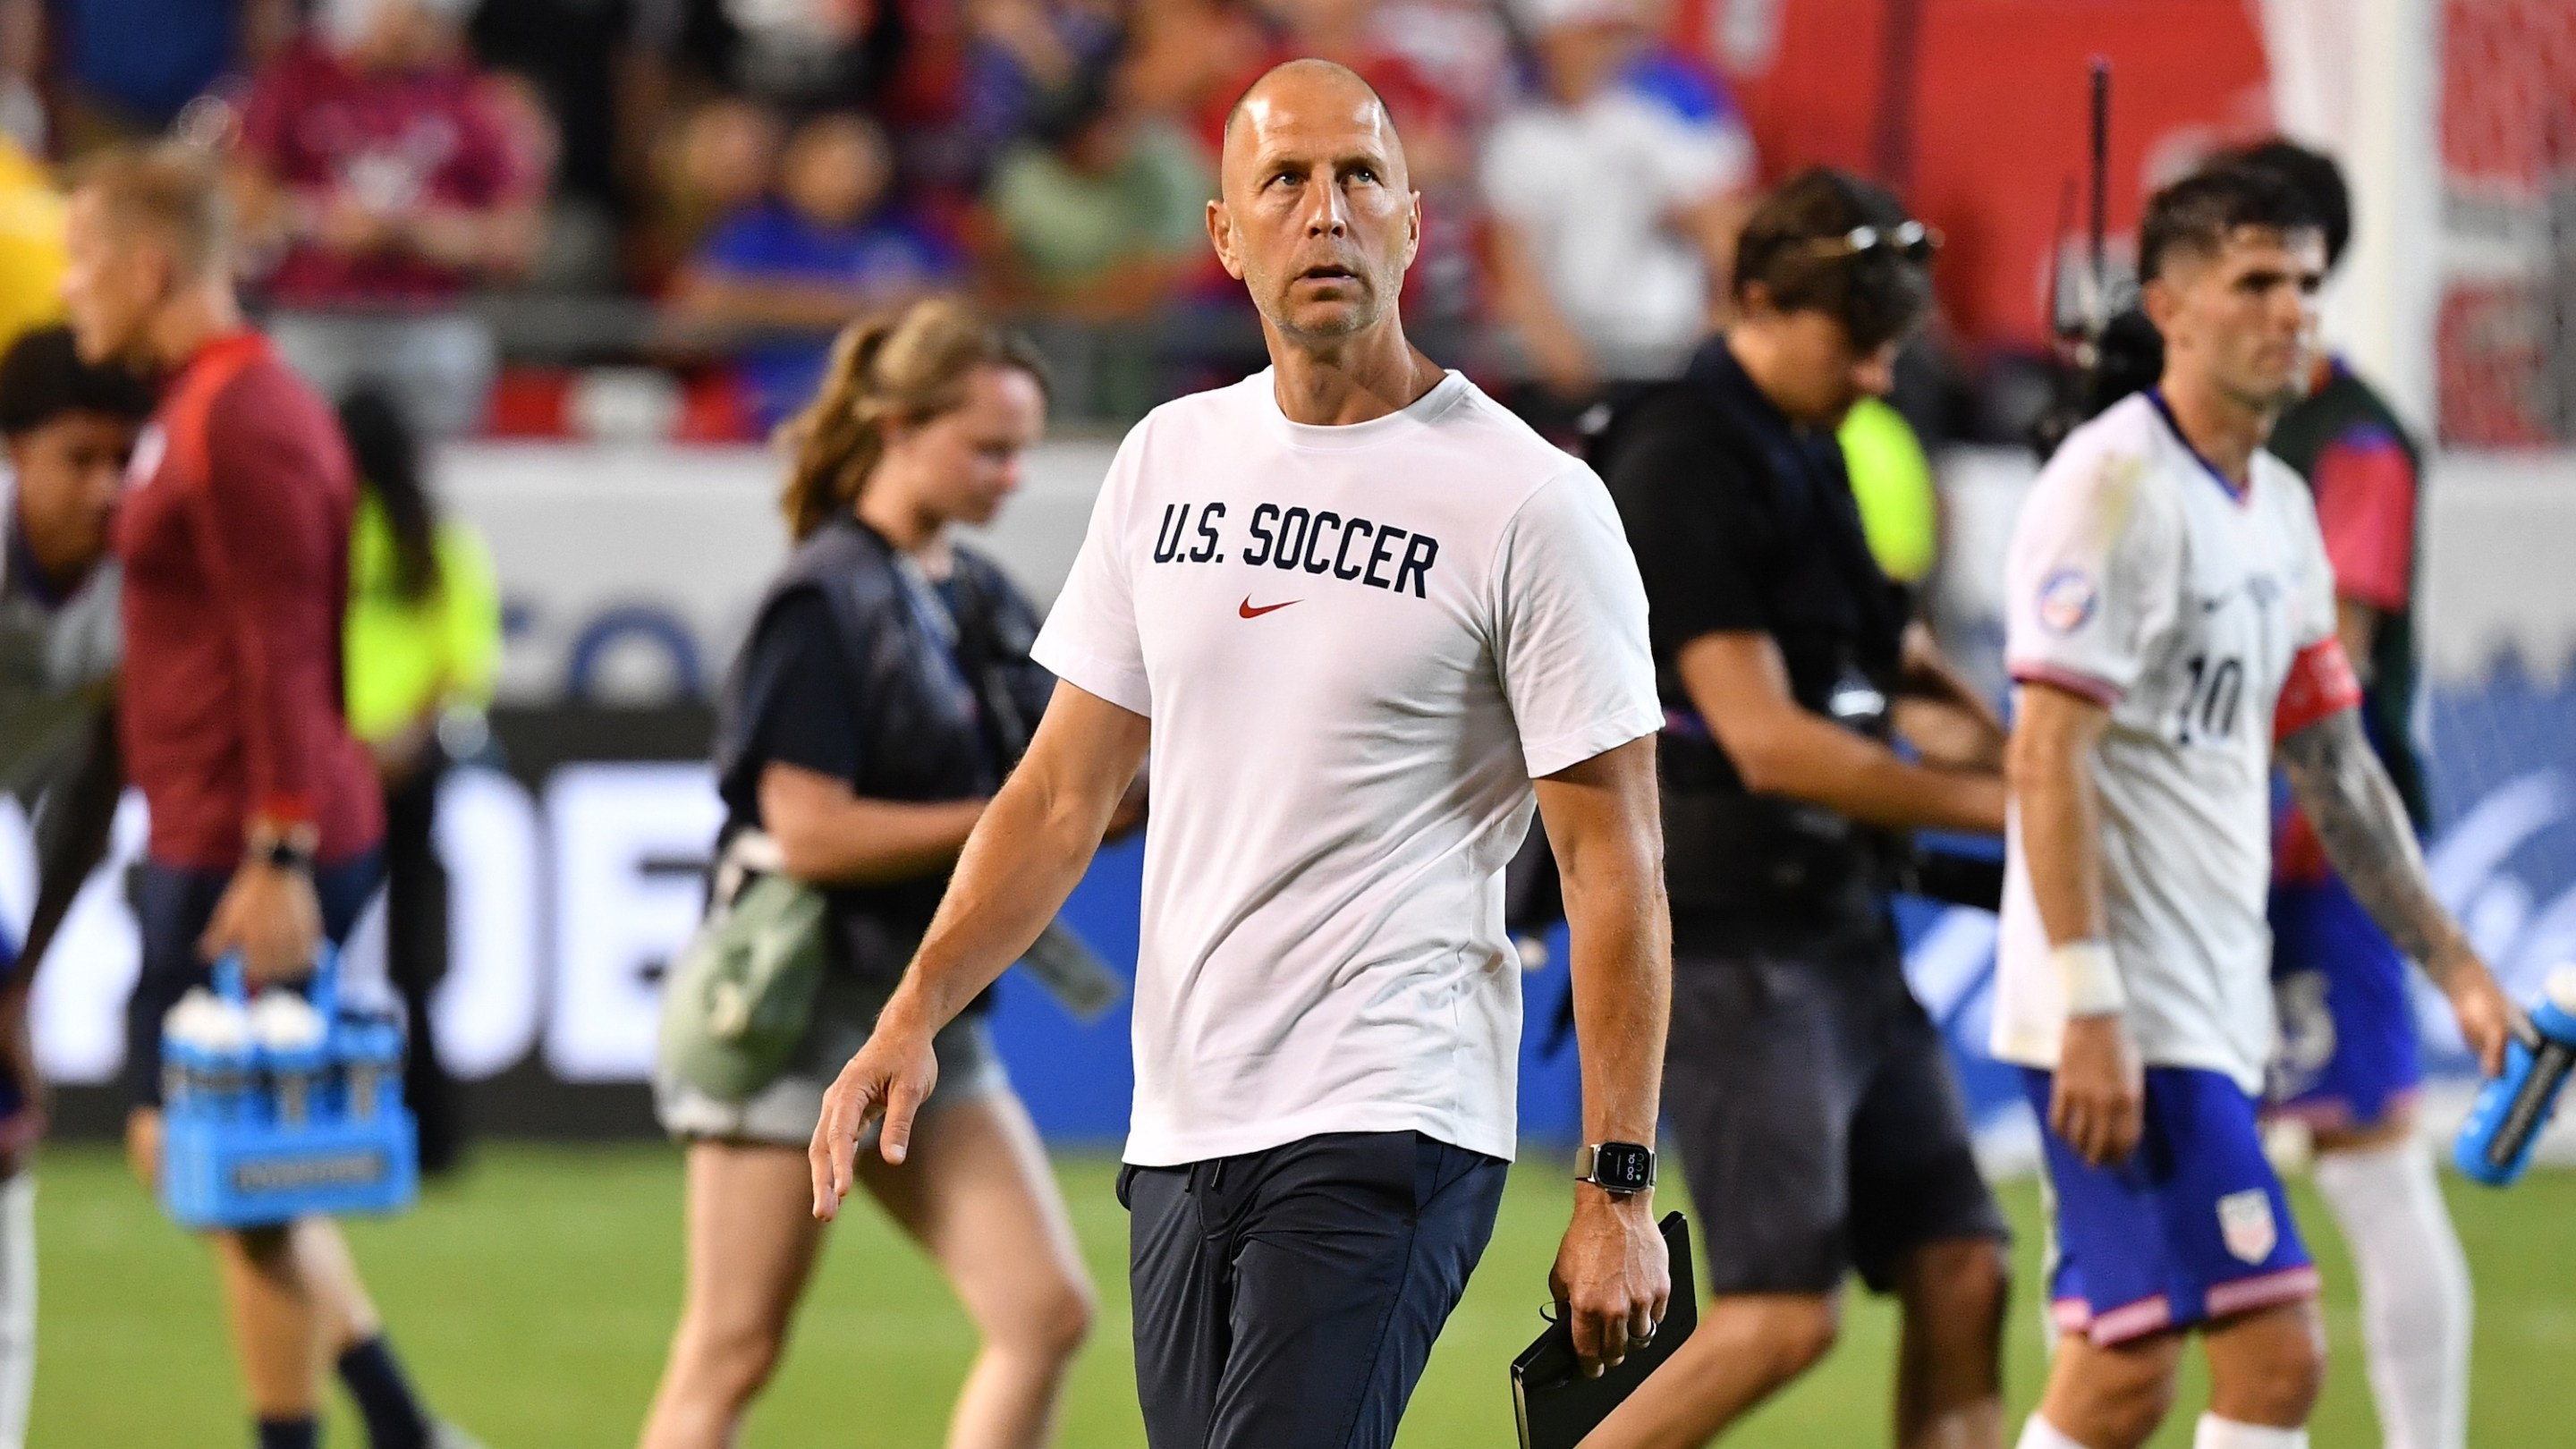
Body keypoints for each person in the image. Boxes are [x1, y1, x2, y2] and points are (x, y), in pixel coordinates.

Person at [811, 58, 1674, 1449]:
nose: (1324, 212)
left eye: (1360, 179)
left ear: (1413, 222)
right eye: (1285, 180)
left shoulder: (1531, 502)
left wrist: (1617, 1183)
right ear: (1224, 235)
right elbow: (1057, 794)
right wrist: (913, 1010)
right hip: (1186, 1117)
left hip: (1392, 1099)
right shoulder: (1168, 460)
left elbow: (1614, 859)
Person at [1996, 163, 2513, 1449]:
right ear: (2171, 307)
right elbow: (2044, 756)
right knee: (2275, 1351)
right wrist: (2092, 1005)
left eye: (2308, 286)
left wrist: (2453, 963)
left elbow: (2335, 763)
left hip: (2215, 995)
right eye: (2258, 284)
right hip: (2124, 1005)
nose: (2294, 313)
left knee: (2119, 1382)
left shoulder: (2279, 506)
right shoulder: (2109, 490)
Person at [59, 141, 477, 1449]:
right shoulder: (196, 407)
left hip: (249, 838)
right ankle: (392, 1420)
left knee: (221, 1159)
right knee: (205, 1158)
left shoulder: (242, 416)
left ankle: (356, 1426)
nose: (68, 295)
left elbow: (286, 639)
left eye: (81, 265)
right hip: (208, 823)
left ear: (146, 265)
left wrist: (282, 847)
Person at [1585, 168, 2011, 1449]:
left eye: (1893, 347)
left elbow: (1898, 667)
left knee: (1963, 1272)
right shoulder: (1680, 459)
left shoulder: (1811, 444)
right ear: (1758, 300)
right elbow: (1769, 743)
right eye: (1857, 345)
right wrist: (2019, 806)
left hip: (1842, 924)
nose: (1881, 377)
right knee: (1782, 1314)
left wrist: (2024, 746)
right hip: (1733, 940)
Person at [636, 297, 1099, 1449]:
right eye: (987, 447)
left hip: (919, 1007)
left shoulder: (974, 594)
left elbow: (1069, 776)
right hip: (791, 1009)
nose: (1010, 474)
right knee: (730, 1349)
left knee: (1042, 1313)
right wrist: (1008, 822)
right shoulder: (823, 600)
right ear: (896, 428)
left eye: (1021, 449)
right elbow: (811, 835)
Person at [2224, 139, 2467, 1449]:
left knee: (2370, 1163)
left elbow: (2336, 671)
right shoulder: (2197, 425)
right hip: (2217, 860)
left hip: (2322, 858)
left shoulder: (2351, 439)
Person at [0, 324, 154, 1449]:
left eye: (124, 458)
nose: (105, 488)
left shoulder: (142, 583)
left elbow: (103, 786)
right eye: (75, 458)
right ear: (12, 453)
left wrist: (20, 985)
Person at [231, 0, 541, 438]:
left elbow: (517, 240)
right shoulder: (296, 82)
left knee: (459, 359)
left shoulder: (471, 98)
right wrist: (319, 219)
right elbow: (241, 206)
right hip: (316, 321)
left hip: (427, 323)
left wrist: (408, 234)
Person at [337, 386, 502, 1179]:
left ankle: (310, 1123)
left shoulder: (326, 533)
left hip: (332, 766)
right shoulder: (434, 539)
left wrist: (347, 739)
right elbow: (466, 657)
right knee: (411, 957)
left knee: (316, 947)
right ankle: (432, 1136)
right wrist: (409, 730)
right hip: (408, 764)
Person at [1480, 0, 1753, 400]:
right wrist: (1555, 348)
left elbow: (1718, 231)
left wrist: (1717, 334)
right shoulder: (1514, 139)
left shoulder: (1655, 121)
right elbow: (1511, 264)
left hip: (1664, 351)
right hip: (1561, 366)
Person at [670, 111, 968, 429]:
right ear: (799, 167)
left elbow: (961, 307)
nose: (854, 175)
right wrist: (844, 307)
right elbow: (698, 306)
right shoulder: (757, 231)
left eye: (865, 162)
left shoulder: (908, 232)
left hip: (884, 417)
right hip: (769, 416)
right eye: (836, 163)